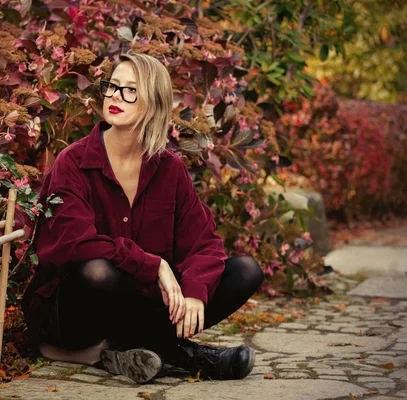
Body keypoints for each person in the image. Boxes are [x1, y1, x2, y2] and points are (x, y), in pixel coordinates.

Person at [22, 52, 264, 383]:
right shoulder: (73, 162)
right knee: (98, 272)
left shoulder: (169, 168)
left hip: (143, 307)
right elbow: (76, 244)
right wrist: (156, 266)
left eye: (130, 90)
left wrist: (194, 292)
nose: (114, 97)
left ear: (154, 103)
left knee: (245, 271)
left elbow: (205, 242)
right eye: (112, 86)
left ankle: (127, 350)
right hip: (76, 313)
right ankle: (185, 355)